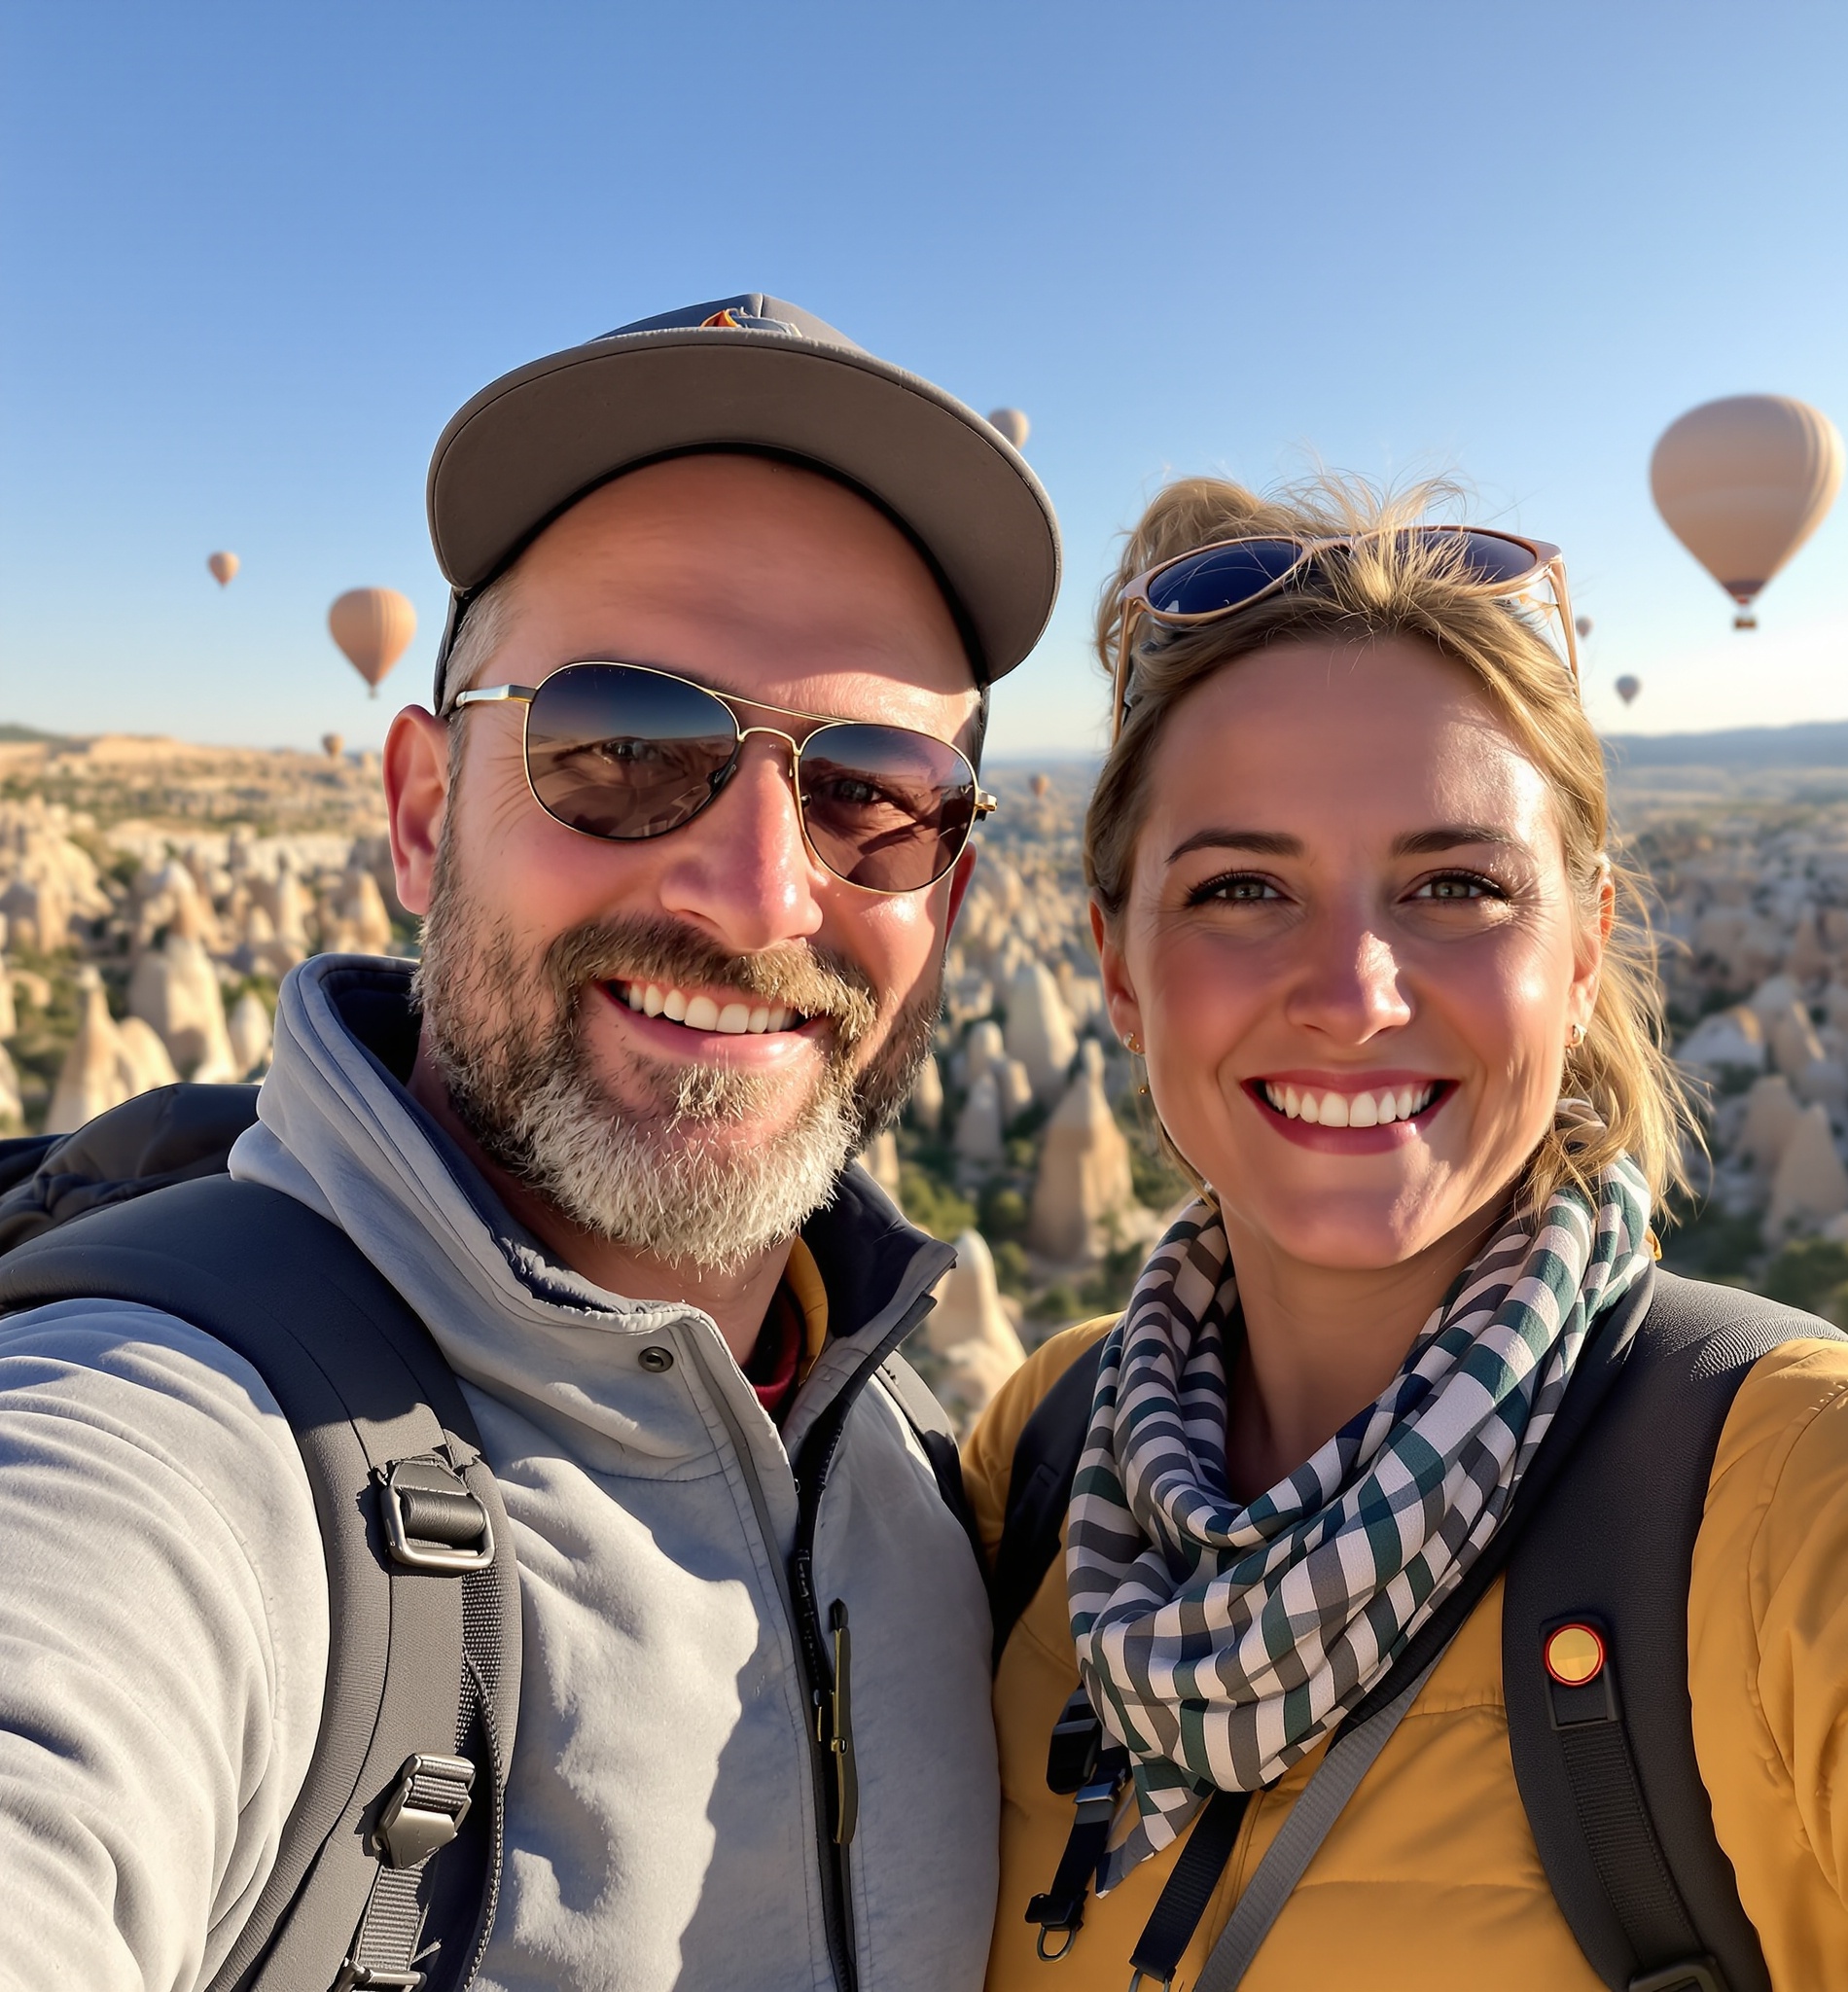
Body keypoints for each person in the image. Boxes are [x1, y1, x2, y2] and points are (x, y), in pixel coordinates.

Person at [0, 296, 1059, 1990]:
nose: (763, 889)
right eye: (624, 748)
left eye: (872, 789)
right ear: (422, 814)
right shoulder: (175, 1457)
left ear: (952, 886)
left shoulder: (920, 1493)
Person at [964, 473, 1848, 1991]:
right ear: (1117, 967)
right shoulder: (1040, 1460)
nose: (1356, 989)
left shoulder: (1818, 1519)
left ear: (1584, 951)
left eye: (1457, 885)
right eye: (1242, 886)